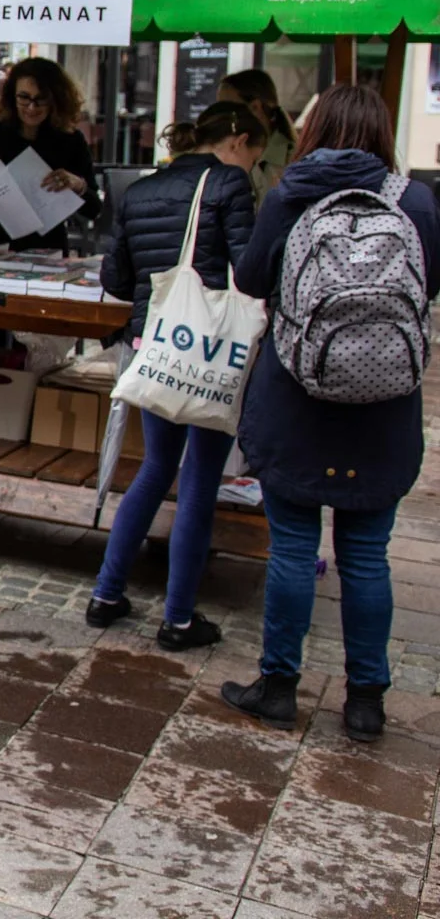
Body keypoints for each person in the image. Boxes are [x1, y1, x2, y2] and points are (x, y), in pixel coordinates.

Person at [222, 85, 440, 742]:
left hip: (296, 399)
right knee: (368, 556)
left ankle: (279, 686)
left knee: (292, 546)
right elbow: (429, 285)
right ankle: (366, 700)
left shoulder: (291, 194)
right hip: (385, 408)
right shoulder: (417, 202)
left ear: (314, 129)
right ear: (382, 131)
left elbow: (252, 279)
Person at [88, 101, 264, 648]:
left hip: (152, 346)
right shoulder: (229, 185)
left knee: (155, 465)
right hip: (206, 352)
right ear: (236, 140)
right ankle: (180, 618)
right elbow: (251, 269)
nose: (253, 167)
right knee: (200, 479)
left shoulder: (141, 190)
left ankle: (106, 592)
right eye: (256, 156)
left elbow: (115, 278)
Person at [0, 57, 100, 250]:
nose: (32, 107)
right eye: (24, 98)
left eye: (40, 99)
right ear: (12, 96)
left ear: (55, 99)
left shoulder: (70, 139)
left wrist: (79, 185)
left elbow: (94, 209)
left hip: (47, 247)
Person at [218, 68, 297, 207]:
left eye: (227, 108)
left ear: (255, 107)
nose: (219, 116)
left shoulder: (294, 159)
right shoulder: (223, 157)